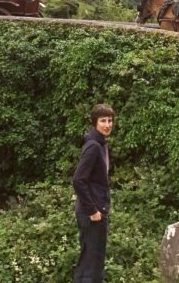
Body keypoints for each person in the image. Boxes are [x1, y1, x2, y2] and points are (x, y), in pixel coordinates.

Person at [73, 103, 114, 283]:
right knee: (91, 264)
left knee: (93, 261)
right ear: (94, 123)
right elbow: (78, 180)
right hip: (92, 213)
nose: (107, 124)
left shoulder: (101, 143)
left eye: (110, 120)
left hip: (98, 209)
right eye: (103, 121)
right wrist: (92, 211)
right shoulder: (93, 146)